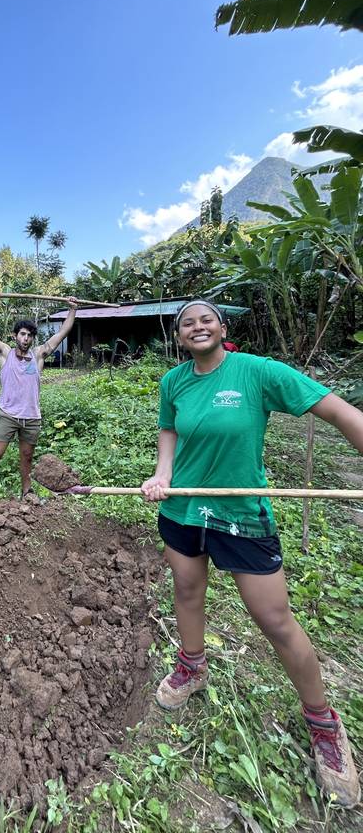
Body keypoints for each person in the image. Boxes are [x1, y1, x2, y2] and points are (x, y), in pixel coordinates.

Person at [140, 299, 361, 807]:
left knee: (274, 619)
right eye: (187, 322)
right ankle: (192, 666)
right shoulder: (174, 382)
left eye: (206, 319)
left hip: (241, 516)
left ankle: (324, 724)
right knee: (187, 590)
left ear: (222, 328)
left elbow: (335, 409)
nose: (197, 326)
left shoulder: (258, 372)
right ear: (179, 337)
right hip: (183, 511)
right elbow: (168, 432)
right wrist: (163, 474)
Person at [0, 295, 79, 517]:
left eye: (29, 335)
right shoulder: (5, 353)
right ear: (15, 336)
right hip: (8, 415)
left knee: (26, 457)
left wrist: (73, 310)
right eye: (23, 334)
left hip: (31, 418)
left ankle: (26, 492)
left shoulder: (38, 355)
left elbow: (61, 333)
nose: (26, 339)